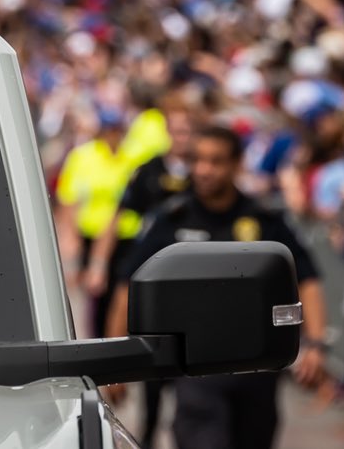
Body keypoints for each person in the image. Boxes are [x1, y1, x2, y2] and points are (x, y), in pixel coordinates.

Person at [108, 124, 326, 449]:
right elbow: (129, 285)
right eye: (197, 160)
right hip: (197, 371)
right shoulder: (171, 219)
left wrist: (316, 345)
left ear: (236, 164)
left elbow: (306, 278)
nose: (204, 170)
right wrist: (116, 358)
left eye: (215, 161)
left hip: (259, 369)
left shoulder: (263, 219)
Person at [91, 100, 196, 445]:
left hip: (193, 285)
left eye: (188, 130)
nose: (182, 137)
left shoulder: (206, 174)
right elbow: (118, 218)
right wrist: (99, 264)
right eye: (176, 130)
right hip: (153, 277)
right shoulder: (148, 172)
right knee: (152, 381)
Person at [53, 105, 133, 336]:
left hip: (122, 236)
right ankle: (96, 338)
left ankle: (113, 336)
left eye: (117, 130)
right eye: (109, 130)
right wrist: (70, 235)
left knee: (117, 291)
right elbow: (69, 198)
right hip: (90, 233)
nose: (113, 135)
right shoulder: (84, 156)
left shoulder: (129, 158)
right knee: (93, 292)